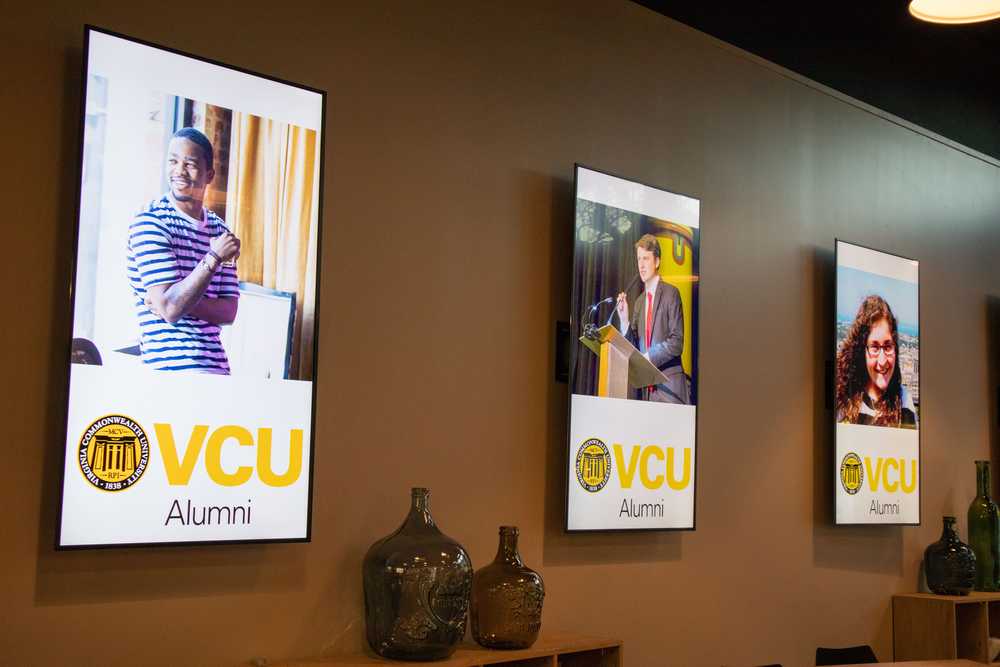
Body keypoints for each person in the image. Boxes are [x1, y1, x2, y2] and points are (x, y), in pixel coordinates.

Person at [126, 127, 241, 373]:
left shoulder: (220, 230)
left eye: (189, 164)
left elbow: (229, 312)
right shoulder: (151, 221)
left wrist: (177, 301)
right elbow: (170, 310)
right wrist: (213, 258)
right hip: (169, 374)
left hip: (217, 371)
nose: (179, 170)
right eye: (173, 161)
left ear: (209, 174)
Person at [615, 234, 690, 404]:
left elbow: (676, 342)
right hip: (649, 392)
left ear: (657, 262)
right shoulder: (640, 301)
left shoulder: (671, 293)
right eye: (639, 259)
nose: (641, 265)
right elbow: (633, 348)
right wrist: (624, 320)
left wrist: (647, 359)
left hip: (670, 388)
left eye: (646, 259)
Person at [835, 294, 917, 427]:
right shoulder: (843, 401)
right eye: (874, 347)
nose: (882, 360)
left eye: (888, 346)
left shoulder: (904, 403)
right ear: (862, 351)